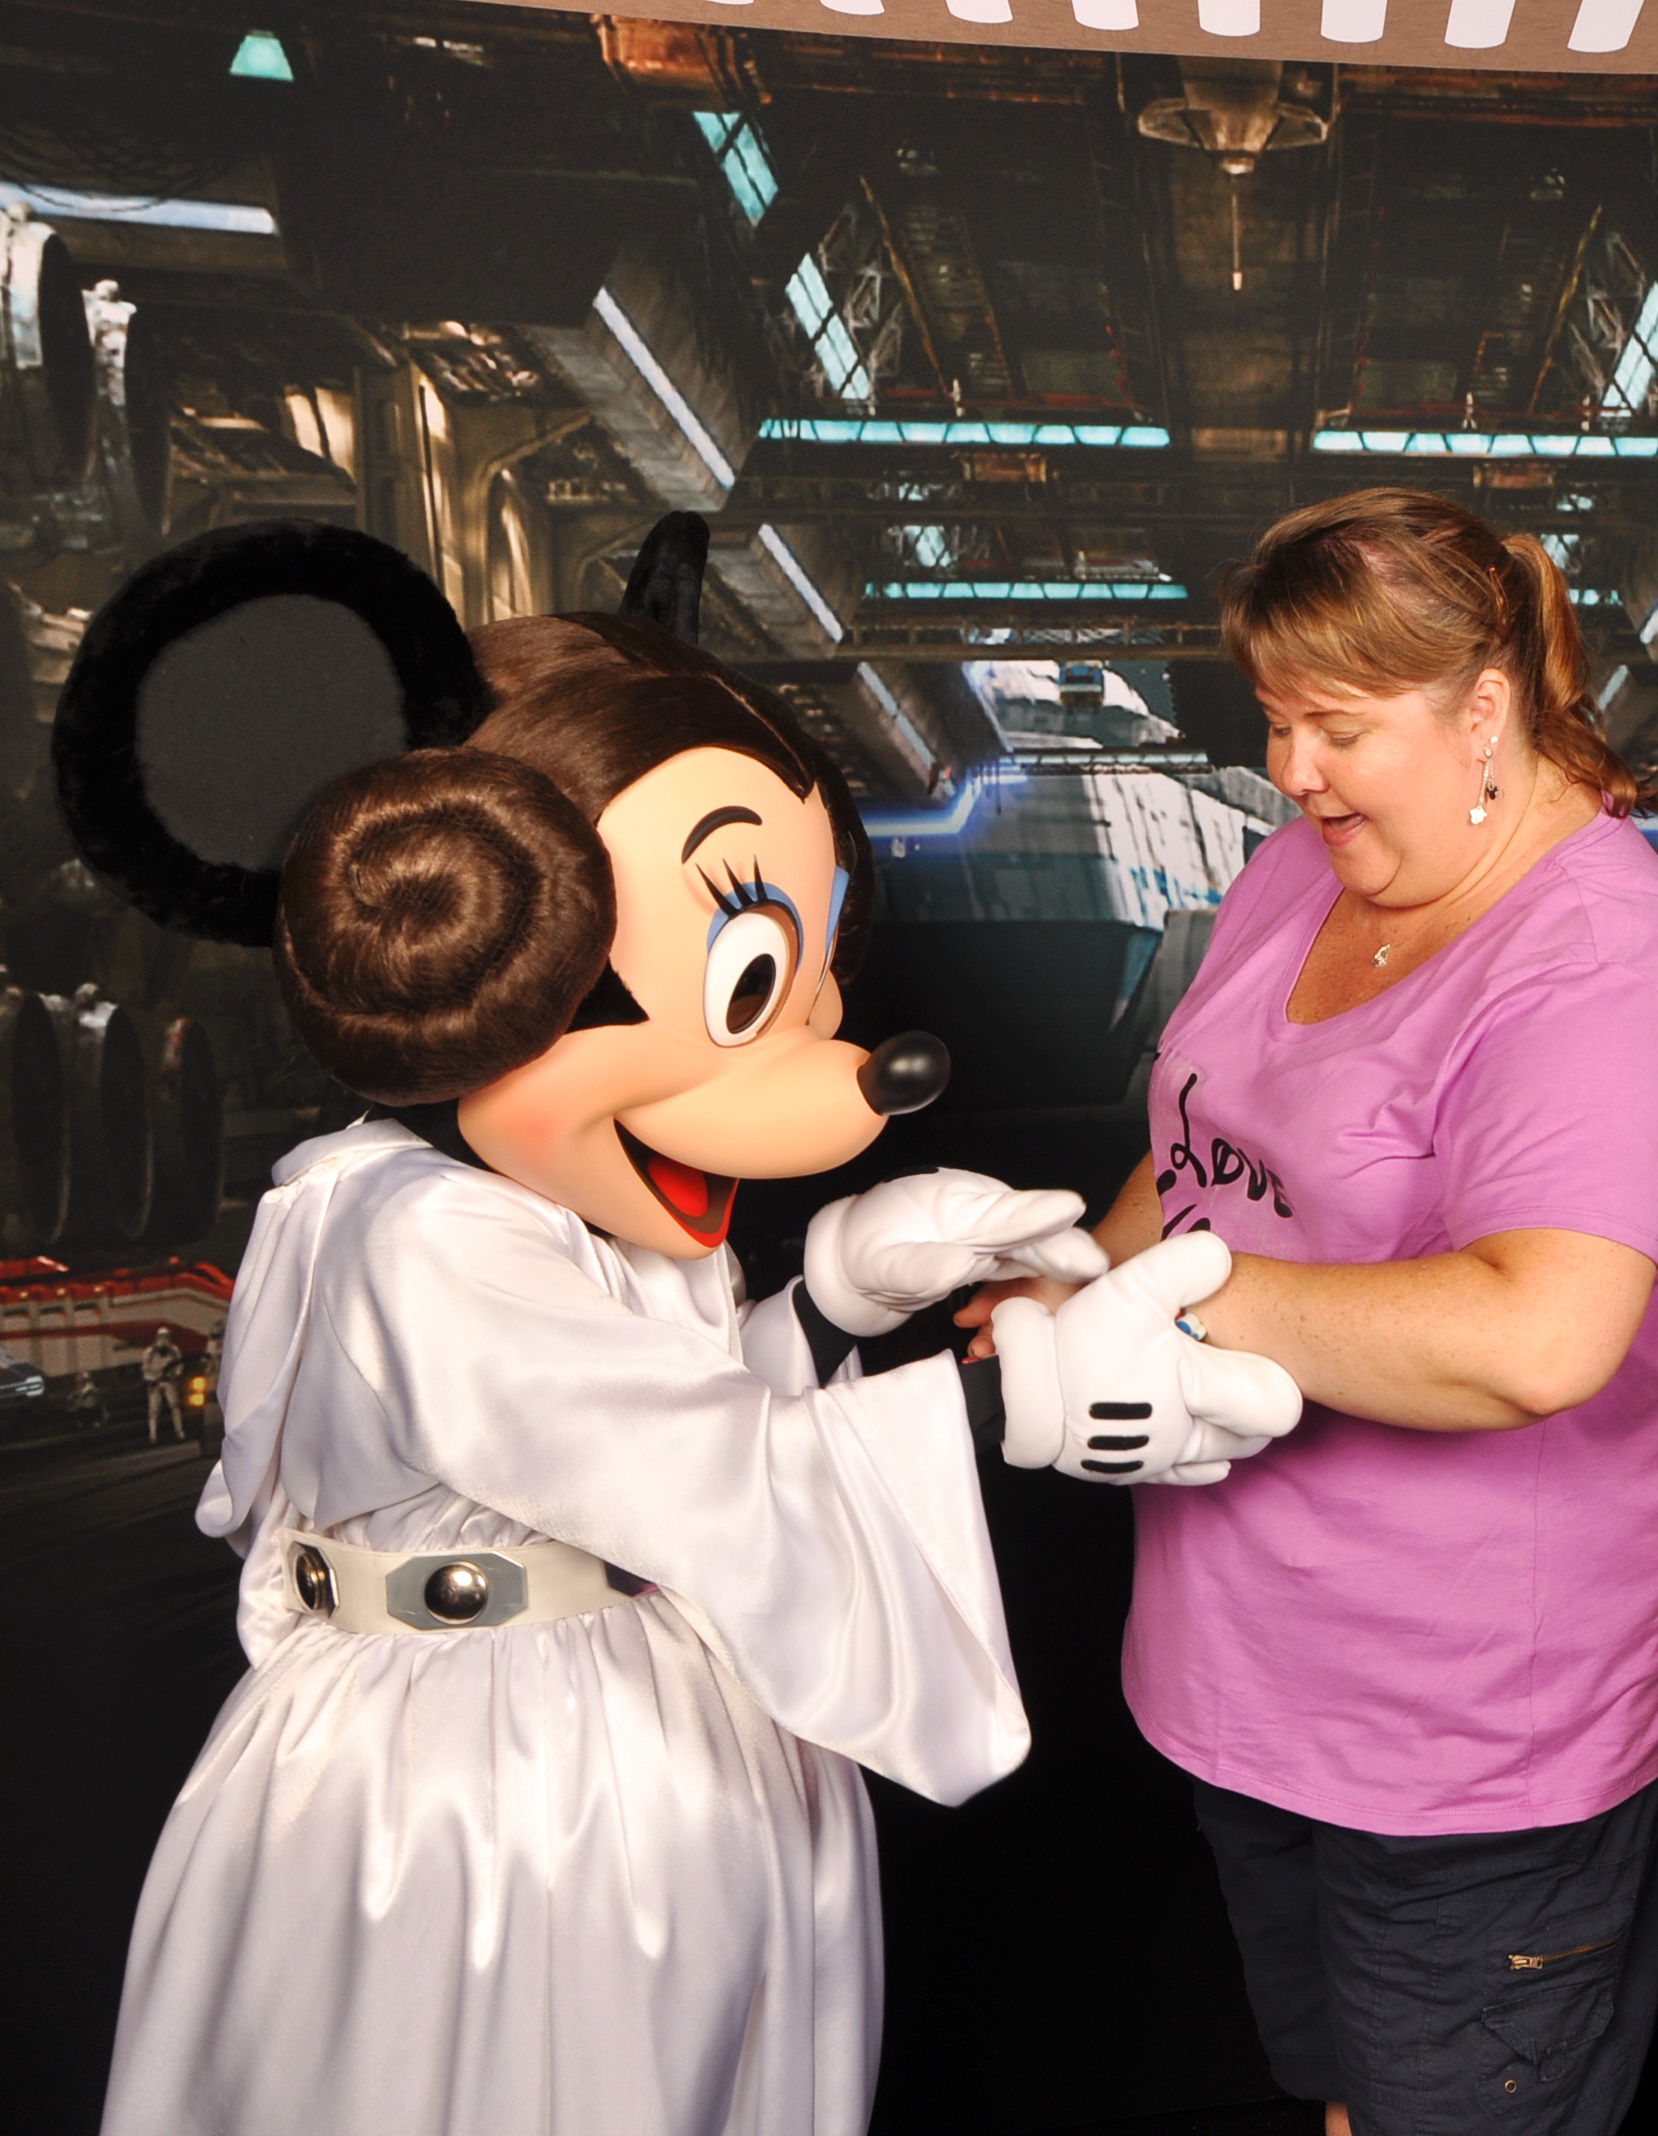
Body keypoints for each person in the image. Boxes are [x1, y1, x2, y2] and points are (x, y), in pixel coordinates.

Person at [62, 517, 1300, 2136]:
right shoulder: (411, 1225)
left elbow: (639, 1427)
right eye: (745, 988)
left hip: (603, 1727)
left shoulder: (536, 1212)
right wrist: (1013, 1400)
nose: (844, 1063)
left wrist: (831, 1300)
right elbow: (685, 1470)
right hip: (492, 1799)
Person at [969, 487, 1658, 2136]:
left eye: (1336, 727)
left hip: (1472, 1726)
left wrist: (1179, 1311)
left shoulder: (1601, 970)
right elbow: (1204, 1149)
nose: (1293, 769)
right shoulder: (1304, 872)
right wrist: (1080, 1280)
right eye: (1275, 722)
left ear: (1484, 711)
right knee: (1342, 2096)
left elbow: (1537, 1336)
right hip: (1253, 1674)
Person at [140, 1326, 184, 1444]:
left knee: (175, 1406)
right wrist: (153, 1378)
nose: (164, 1339)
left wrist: (174, 1375)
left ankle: (179, 1431)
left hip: (169, 1382)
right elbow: (145, 1370)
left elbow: (179, 1366)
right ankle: (153, 1434)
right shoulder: (149, 1353)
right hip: (155, 1383)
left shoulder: (174, 1351)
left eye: (166, 1337)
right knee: (154, 1410)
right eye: (161, 1337)